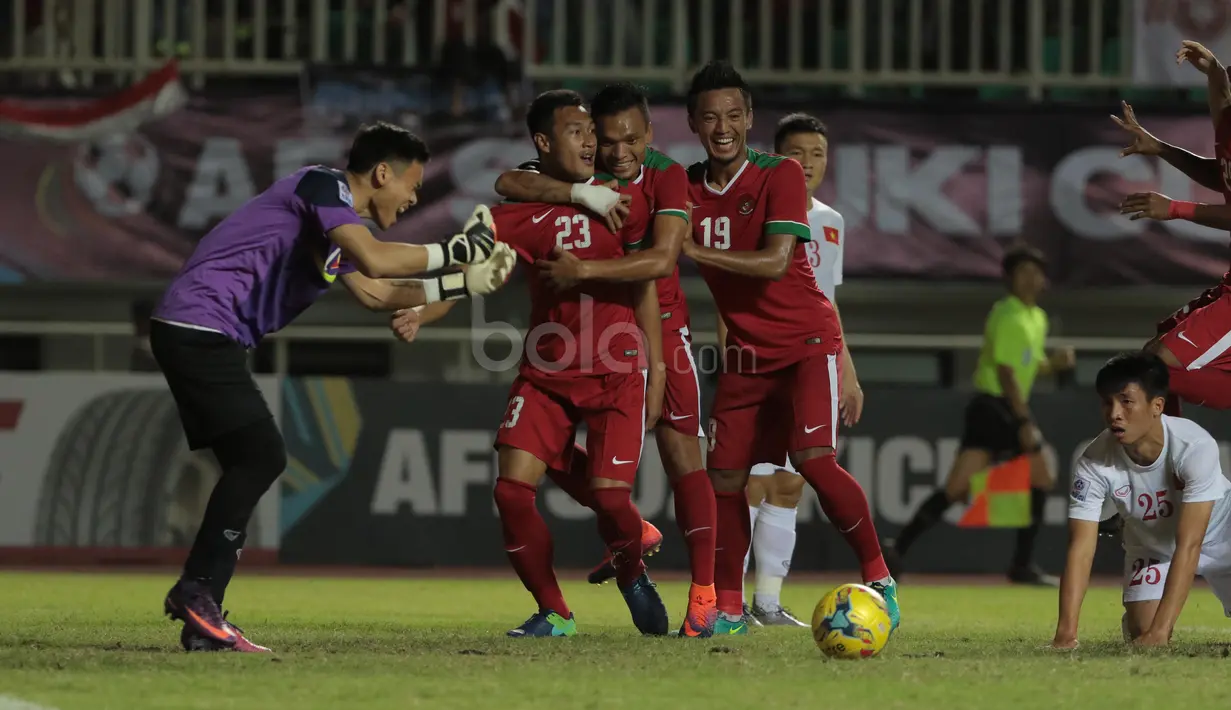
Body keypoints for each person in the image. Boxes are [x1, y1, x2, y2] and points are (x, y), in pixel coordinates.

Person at [152, 122, 514, 652]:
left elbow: (376, 291)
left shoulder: (334, 225)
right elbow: (378, 259)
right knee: (260, 456)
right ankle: (198, 591)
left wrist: (464, 281)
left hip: (201, 329)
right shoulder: (323, 186)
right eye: (411, 185)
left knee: (254, 458)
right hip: (200, 324)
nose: (413, 197)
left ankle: (201, 617)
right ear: (382, 172)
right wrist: (456, 248)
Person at [492, 81, 719, 637]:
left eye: (627, 140)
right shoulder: (575, 183)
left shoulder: (663, 176)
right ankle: (606, 566)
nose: (615, 151)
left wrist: (658, 364)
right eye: (600, 136)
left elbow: (661, 261)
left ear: (648, 135)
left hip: (656, 330)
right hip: (569, 347)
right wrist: (577, 195)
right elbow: (507, 182)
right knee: (547, 478)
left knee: (681, 457)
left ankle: (707, 595)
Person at [680, 60, 898, 636]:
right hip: (748, 355)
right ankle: (731, 609)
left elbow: (775, 262)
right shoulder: (685, 187)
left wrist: (693, 251)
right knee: (725, 478)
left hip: (805, 343)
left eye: (733, 114)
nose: (722, 126)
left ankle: (879, 579)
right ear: (693, 124)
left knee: (812, 462)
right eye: (709, 117)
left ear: (750, 118)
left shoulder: (778, 174)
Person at [887, 245, 1075, 585]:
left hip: (998, 407)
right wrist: (1023, 421)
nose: (1031, 278)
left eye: (1036, 272)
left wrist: (1053, 365)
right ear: (1009, 279)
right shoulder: (1006, 314)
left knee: (958, 487)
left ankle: (896, 551)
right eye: (1022, 272)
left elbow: (1027, 365)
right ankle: (1021, 565)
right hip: (994, 406)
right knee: (1042, 477)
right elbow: (1005, 373)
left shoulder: (1038, 318)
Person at [740, 112, 863, 627]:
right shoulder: (759, 211)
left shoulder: (830, 220)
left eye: (817, 154)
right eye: (797, 153)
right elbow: (739, 294)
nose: (808, 163)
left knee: (790, 483)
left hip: (813, 361)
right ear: (777, 157)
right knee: (750, 478)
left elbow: (827, 302)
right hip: (760, 357)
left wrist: (847, 370)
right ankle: (723, 600)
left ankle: (767, 603)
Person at [1052, 352, 1231, 649]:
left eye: (1126, 401)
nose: (1114, 414)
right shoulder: (1094, 462)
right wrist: (1065, 634)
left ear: (1157, 406)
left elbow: (1190, 543)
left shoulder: (1194, 447)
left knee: (1154, 634)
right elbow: (1080, 547)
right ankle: (1138, 619)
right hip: (1153, 549)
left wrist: (1161, 633)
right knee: (1141, 630)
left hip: (1222, 538)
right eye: (1107, 402)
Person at [1116, 41, 1231, 416]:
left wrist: (1176, 208)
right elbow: (1222, 175)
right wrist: (1161, 148)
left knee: (1157, 367)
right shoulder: (1228, 120)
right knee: (1154, 353)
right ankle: (1168, 471)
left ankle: (1169, 468)